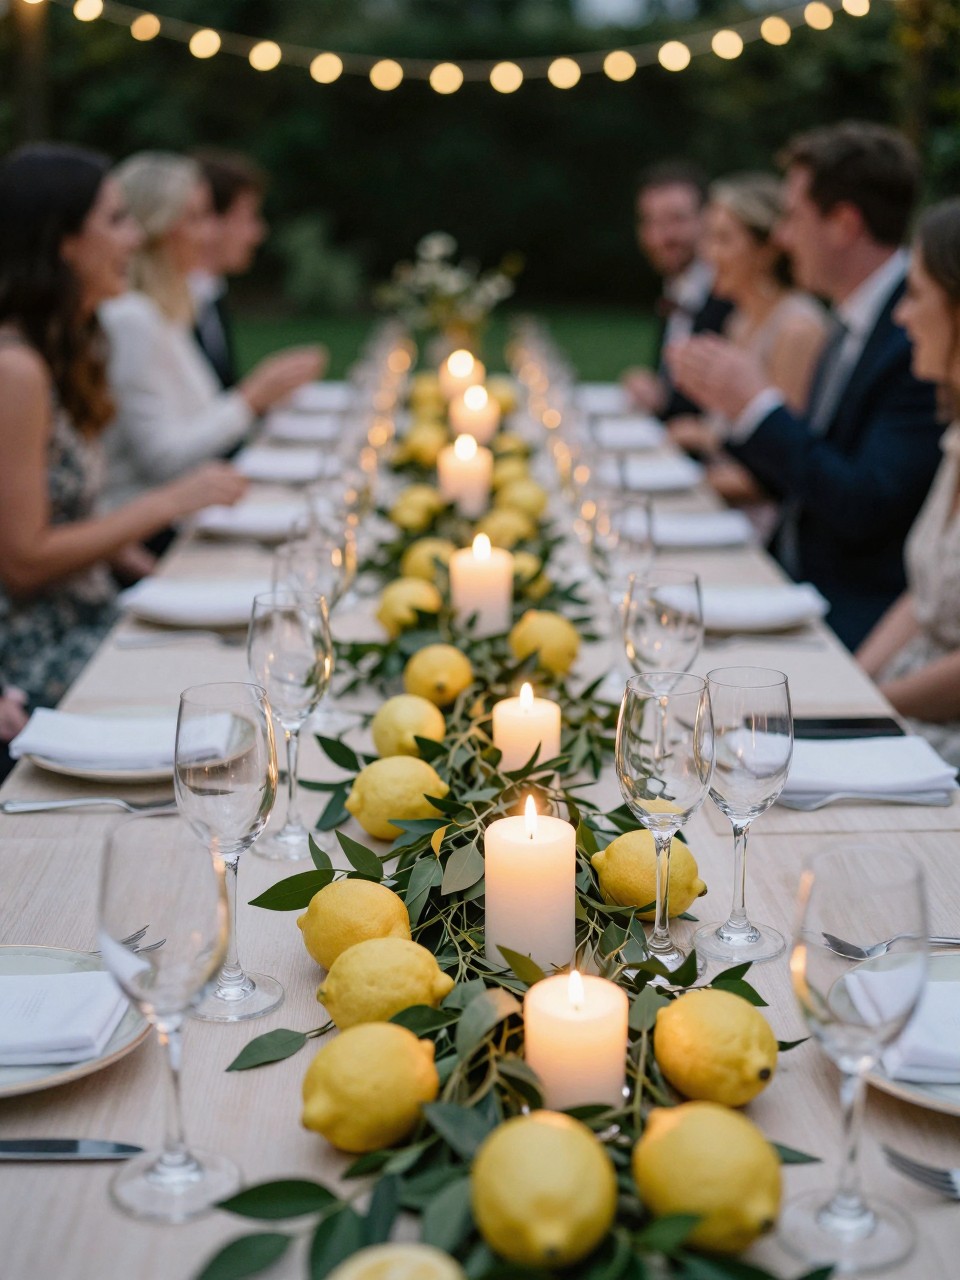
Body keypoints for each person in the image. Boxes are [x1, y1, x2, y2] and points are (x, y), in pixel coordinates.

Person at [668, 122, 941, 650]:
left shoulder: (914, 334)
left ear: (843, 224)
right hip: (792, 576)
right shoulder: (850, 322)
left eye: (793, 217)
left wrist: (758, 407)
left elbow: (864, 505)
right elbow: (803, 472)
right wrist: (732, 416)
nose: (785, 237)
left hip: (856, 613)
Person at [0, 144, 247, 711]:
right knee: (235, 695)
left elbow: (71, 514)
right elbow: (23, 561)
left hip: (92, 612)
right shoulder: (16, 369)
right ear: (62, 242)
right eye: (115, 221)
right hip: (42, 653)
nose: (135, 239)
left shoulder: (67, 347)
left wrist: (159, 572)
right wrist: (167, 503)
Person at [100, 151, 324, 509]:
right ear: (158, 228)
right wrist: (252, 397)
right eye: (196, 219)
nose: (209, 234)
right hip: (151, 529)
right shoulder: (133, 318)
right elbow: (162, 461)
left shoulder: (168, 310)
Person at [856, 199, 960, 764]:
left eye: (916, 294)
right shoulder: (956, 433)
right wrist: (848, 682)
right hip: (903, 712)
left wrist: (866, 706)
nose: (901, 315)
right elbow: (922, 600)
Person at [667, 173, 829, 528]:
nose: (709, 255)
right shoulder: (738, 320)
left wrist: (678, 482)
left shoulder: (797, 329)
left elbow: (782, 465)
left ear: (767, 249)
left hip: (760, 526)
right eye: (708, 238)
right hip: (720, 509)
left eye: (724, 239)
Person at [621, 161, 733, 421]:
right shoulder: (675, 286)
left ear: (708, 219)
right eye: (652, 222)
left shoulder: (730, 296)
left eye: (677, 219)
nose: (663, 237)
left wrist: (664, 401)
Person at [190, 149, 268, 389]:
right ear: (211, 220)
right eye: (249, 217)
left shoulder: (212, 294)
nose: (258, 233)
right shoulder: (174, 306)